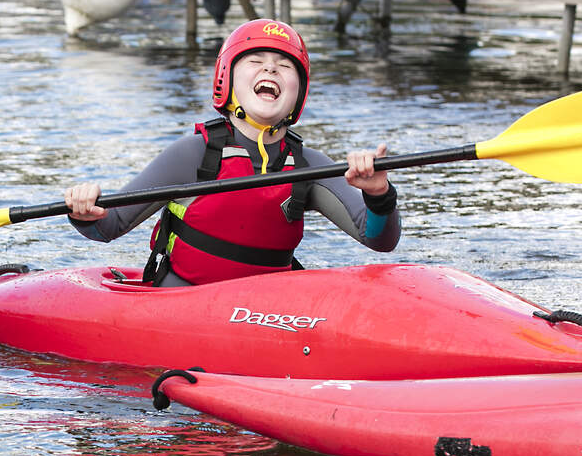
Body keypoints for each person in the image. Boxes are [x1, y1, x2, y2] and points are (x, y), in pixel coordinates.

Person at [63, 18, 399, 286]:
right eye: (256, 60)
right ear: (228, 79)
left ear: (299, 91)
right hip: (184, 305)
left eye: (285, 66)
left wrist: (378, 194)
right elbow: (109, 227)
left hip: (272, 315)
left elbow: (379, 239)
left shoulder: (308, 165)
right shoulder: (192, 155)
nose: (270, 69)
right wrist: (83, 211)